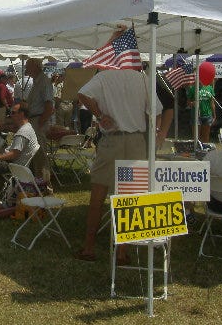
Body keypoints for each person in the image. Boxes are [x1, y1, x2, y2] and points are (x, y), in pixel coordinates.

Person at [75, 58, 162, 263]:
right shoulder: (143, 79)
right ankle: (122, 251)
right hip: (136, 141)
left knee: (98, 195)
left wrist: (100, 115)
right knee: (129, 196)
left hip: (112, 140)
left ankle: (89, 248)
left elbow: (82, 94)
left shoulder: (105, 76)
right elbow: (156, 111)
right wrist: (155, 132)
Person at [0, 102, 39, 193]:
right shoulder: (27, 128)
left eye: (13, 113)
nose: (10, 115)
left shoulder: (23, 132)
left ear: (22, 114)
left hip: (14, 165)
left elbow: (13, 155)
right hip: (13, 162)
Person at [24, 58, 55, 181]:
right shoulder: (37, 82)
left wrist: (41, 122)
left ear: (36, 67)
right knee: (35, 153)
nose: (26, 69)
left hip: (38, 120)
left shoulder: (44, 82)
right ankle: (38, 180)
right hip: (34, 120)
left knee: (40, 153)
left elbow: (49, 105)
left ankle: (45, 183)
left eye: (28, 66)